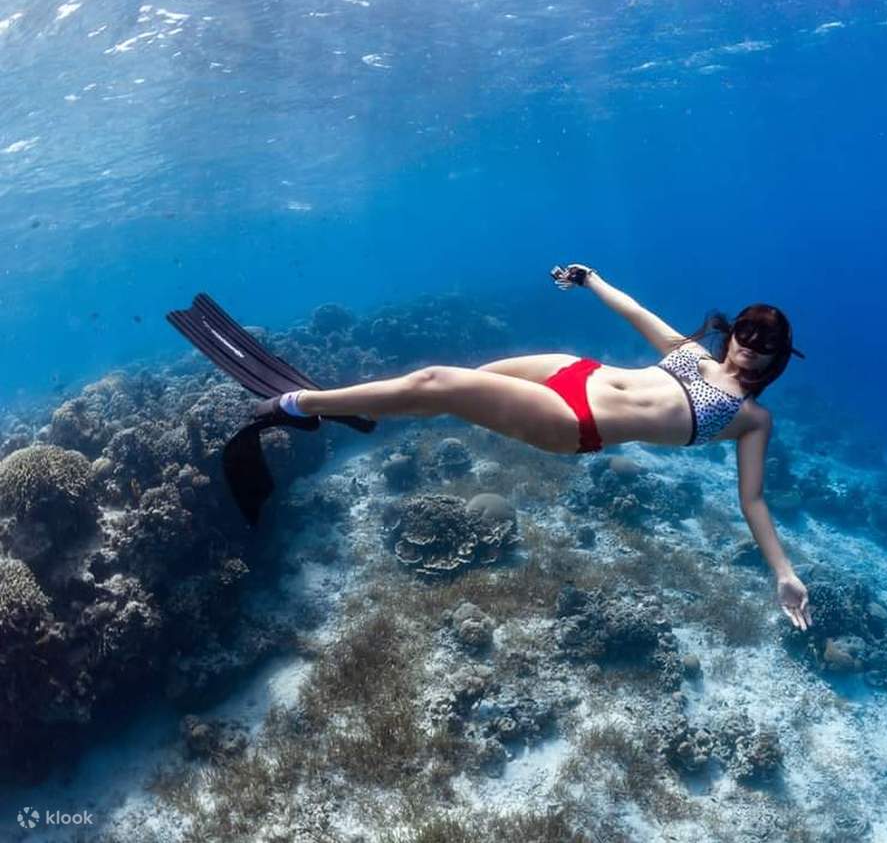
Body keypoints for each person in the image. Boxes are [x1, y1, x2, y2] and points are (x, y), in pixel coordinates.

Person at [168, 267, 812, 630]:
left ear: (778, 356)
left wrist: (783, 573)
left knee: (437, 385)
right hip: (571, 370)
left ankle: (294, 405)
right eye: (748, 329)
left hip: (574, 420)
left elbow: (751, 500)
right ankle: (356, 409)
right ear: (734, 331)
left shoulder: (752, 420)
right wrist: (590, 280)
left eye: (766, 341)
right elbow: (634, 311)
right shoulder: (692, 352)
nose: (751, 343)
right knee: (444, 382)